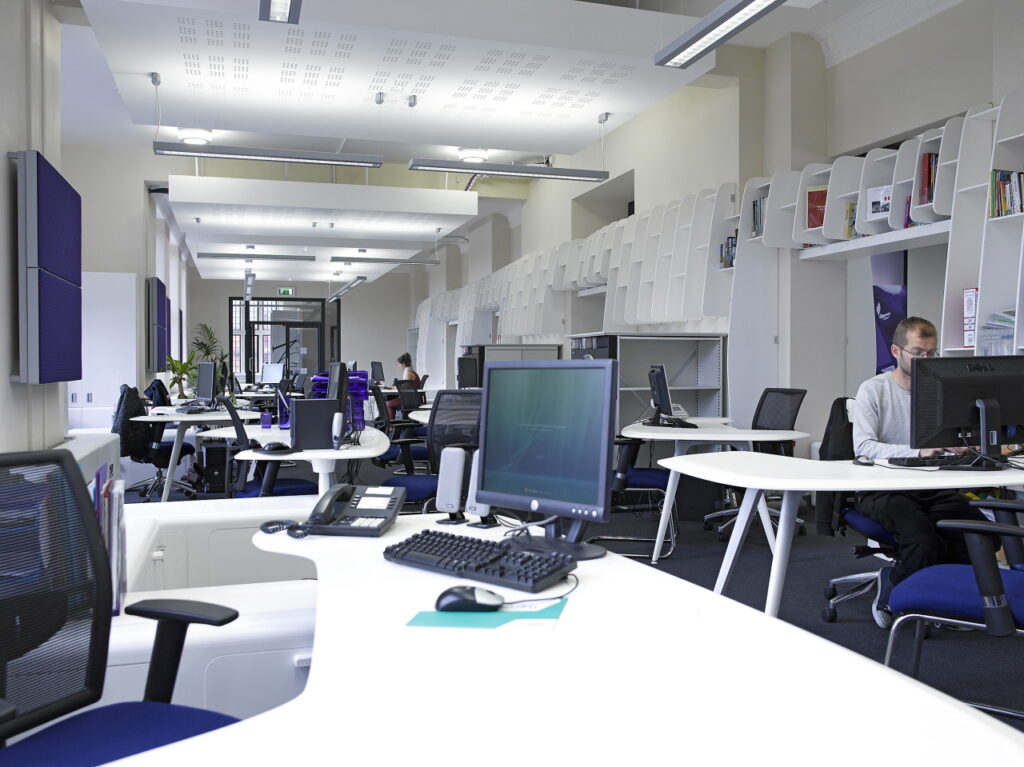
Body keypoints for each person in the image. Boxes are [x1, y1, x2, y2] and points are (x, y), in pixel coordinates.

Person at [851, 316, 986, 628]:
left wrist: (959, 445)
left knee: (978, 534)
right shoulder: (873, 390)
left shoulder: (940, 392)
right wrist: (917, 451)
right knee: (923, 541)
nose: (927, 361)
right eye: (919, 353)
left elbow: (954, 436)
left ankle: (941, 598)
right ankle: (893, 586)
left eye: (932, 354)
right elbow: (864, 447)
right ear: (896, 351)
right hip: (884, 488)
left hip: (932, 484)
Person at [386, 352, 421, 420]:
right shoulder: (410, 370)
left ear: (403, 364)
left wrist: (394, 387)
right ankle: (392, 425)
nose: (398, 366)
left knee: (388, 404)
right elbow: (406, 386)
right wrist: (396, 387)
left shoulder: (408, 373)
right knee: (390, 400)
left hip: (410, 399)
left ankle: (391, 427)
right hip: (412, 397)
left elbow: (404, 389)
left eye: (399, 364)